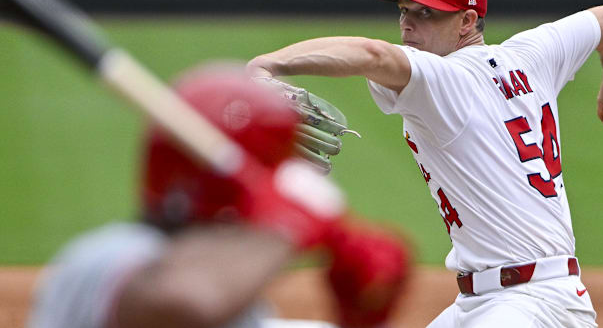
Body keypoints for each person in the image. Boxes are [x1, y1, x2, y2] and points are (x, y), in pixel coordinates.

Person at [246, 0, 603, 327]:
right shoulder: (531, 54)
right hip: (499, 301)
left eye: (427, 13)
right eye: (404, 10)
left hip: (527, 307)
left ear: (467, 20)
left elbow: (371, 54)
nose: (408, 25)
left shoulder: (445, 80)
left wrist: (268, 64)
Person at [28, 62, 410, 328]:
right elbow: (182, 303)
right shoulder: (105, 259)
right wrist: (287, 226)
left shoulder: (231, 292)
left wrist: (361, 319)